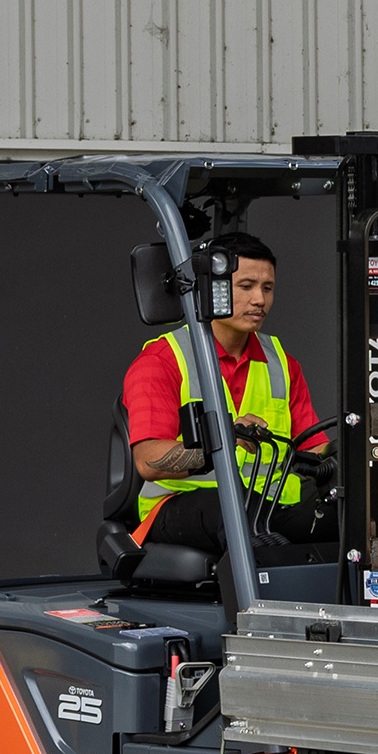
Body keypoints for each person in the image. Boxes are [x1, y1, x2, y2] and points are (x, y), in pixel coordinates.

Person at [122, 233, 331, 555]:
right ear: (211, 289)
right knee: (234, 511)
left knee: (345, 519)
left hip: (267, 504)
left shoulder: (282, 364)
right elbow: (149, 461)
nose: (259, 300)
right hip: (182, 506)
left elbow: (315, 447)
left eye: (267, 288)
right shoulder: (163, 360)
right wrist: (224, 438)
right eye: (246, 287)